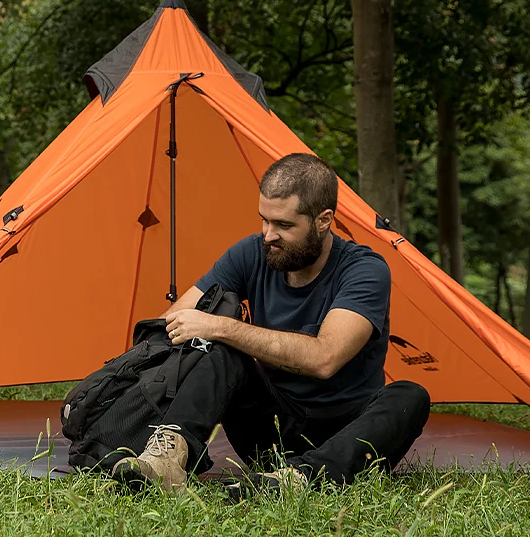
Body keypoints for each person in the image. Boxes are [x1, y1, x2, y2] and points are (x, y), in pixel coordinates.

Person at [112, 153, 431, 497]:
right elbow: (172, 323)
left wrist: (221, 327)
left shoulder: (365, 270)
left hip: (348, 432)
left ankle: (300, 478)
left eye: (283, 225)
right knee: (219, 351)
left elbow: (324, 358)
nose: (268, 235)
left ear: (324, 221)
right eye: (264, 221)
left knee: (411, 396)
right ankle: (165, 461)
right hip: (271, 431)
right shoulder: (251, 253)